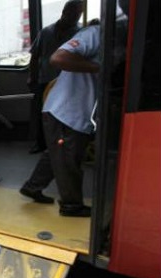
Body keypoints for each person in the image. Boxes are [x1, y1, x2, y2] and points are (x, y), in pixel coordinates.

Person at [20, 23, 101, 217]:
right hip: (66, 111)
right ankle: (71, 205)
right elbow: (58, 58)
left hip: (68, 111)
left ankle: (33, 186)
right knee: (69, 160)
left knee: (57, 154)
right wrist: (100, 68)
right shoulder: (94, 34)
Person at [27, 0, 83, 154]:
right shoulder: (46, 32)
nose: (76, 17)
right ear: (65, 12)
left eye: (79, 14)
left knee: (66, 114)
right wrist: (32, 77)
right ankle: (41, 143)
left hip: (68, 82)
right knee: (42, 114)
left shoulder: (80, 34)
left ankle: (63, 145)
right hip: (45, 79)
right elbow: (34, 56)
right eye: (74, 13)